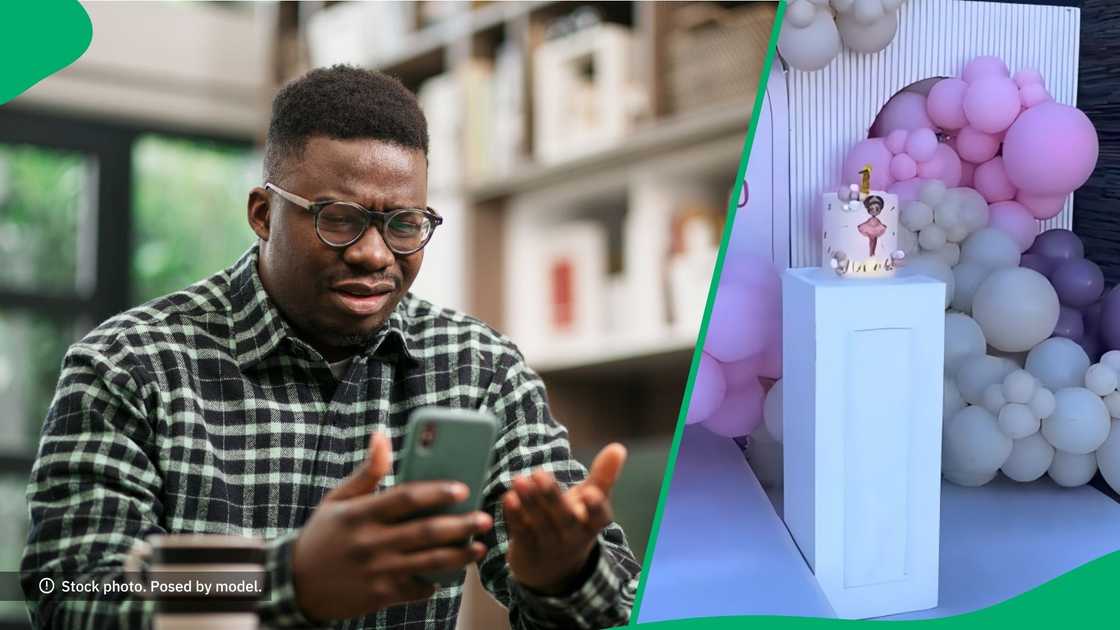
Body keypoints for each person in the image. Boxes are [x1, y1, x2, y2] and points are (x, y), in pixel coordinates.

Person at [21, 65, 639, 629]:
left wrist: (565, 575)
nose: (374, 254)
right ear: (263, 214)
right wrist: (288, 582)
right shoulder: (128, 366)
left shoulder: (481, 371)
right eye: (338, 218)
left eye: (404, 225)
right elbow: (67, 590)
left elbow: (622, 608)